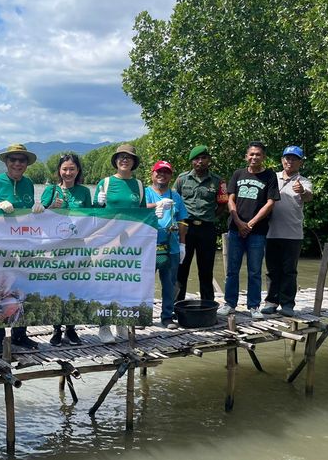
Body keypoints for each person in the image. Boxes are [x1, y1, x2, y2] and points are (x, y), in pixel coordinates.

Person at [0, 143, 43, 354]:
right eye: (13, 159)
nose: (17, 163)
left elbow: (28, 213)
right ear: (6, 162)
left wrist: (38, 210)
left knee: (22, 289)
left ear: (26, 164)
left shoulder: (29, 183)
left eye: (21, 160)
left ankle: (19, 335)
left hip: (23, 245)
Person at [219, 141, 280, 319]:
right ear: (246, 156)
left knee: (254, 271)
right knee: (232, 269)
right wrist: (238, 222)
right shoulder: (238, 174)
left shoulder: (269, 176)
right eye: (251, 154)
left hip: (258, 231)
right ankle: (230, 304)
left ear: (264, 157)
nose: (254, 157)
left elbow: (270, 203)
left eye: (258, 154)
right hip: (235, 229)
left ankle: (253, 306)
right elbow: (230, 198)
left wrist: (251, 223)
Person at [93, 144, 145, 342]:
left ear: (133, 162)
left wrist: (155, 215)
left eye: (128, 157)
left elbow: (142, 217)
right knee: (105, 285)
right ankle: (103, 327)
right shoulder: (105, 183)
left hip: (130, 244)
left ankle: (121, 324)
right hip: (106, 242)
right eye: (121, 157)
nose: (124, 160)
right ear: (115, 161)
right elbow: (93, 215)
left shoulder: (139, 186)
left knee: (125, 285)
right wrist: (98, 203)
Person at [41, 153, 91, 346]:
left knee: (76, 290)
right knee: (58, 289)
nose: (68, 172)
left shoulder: (85, 192)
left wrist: (102, 205)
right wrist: (52, 207)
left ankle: (71, 329)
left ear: (78, 171)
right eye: (65, 169)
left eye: (72, 169)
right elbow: (38, 218)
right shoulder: (50, 190)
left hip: (79, 248)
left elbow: (93, 218)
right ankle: (56, 329)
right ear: (59, 171)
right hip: (57, 248)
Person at [262, 146, 312, 317]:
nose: (289, 161)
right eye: (287, 158)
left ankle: (288, 304)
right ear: (282, 160)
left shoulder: (303, 181)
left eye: (294, 159)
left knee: (289, 270)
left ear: (300, 162)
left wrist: (302, 191)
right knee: (272, 270)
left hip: (293, 234)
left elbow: (308, 196)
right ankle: (271, 302)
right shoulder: (272, 177)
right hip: (271, 232)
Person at [173, 145, 228, 301]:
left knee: (206, 270)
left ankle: (207, 305)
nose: (200, 161)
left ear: (209, 160)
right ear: (192, 161)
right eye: (197, 158)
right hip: (185, 229)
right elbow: (174, 201)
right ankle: (177, 304)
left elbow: (223, 203)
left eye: (204, 158)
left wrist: (210, 217)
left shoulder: (218, 181)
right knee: (181, 268)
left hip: (207, 229)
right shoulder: (181, 179)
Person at [145, 161, 188, 329]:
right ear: (152, 173)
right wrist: (156, 205)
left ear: (171, 175)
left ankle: (167, 316)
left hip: (171, 247)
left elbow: (182, 221)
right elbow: (138, 211)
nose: (162, 175)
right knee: (145, 283)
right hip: (149, 247)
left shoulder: (175, 195)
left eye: (166, 172)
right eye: (158, 171)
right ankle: (142, 314)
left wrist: (183, 244)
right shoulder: (146, 193)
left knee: (169, 284)